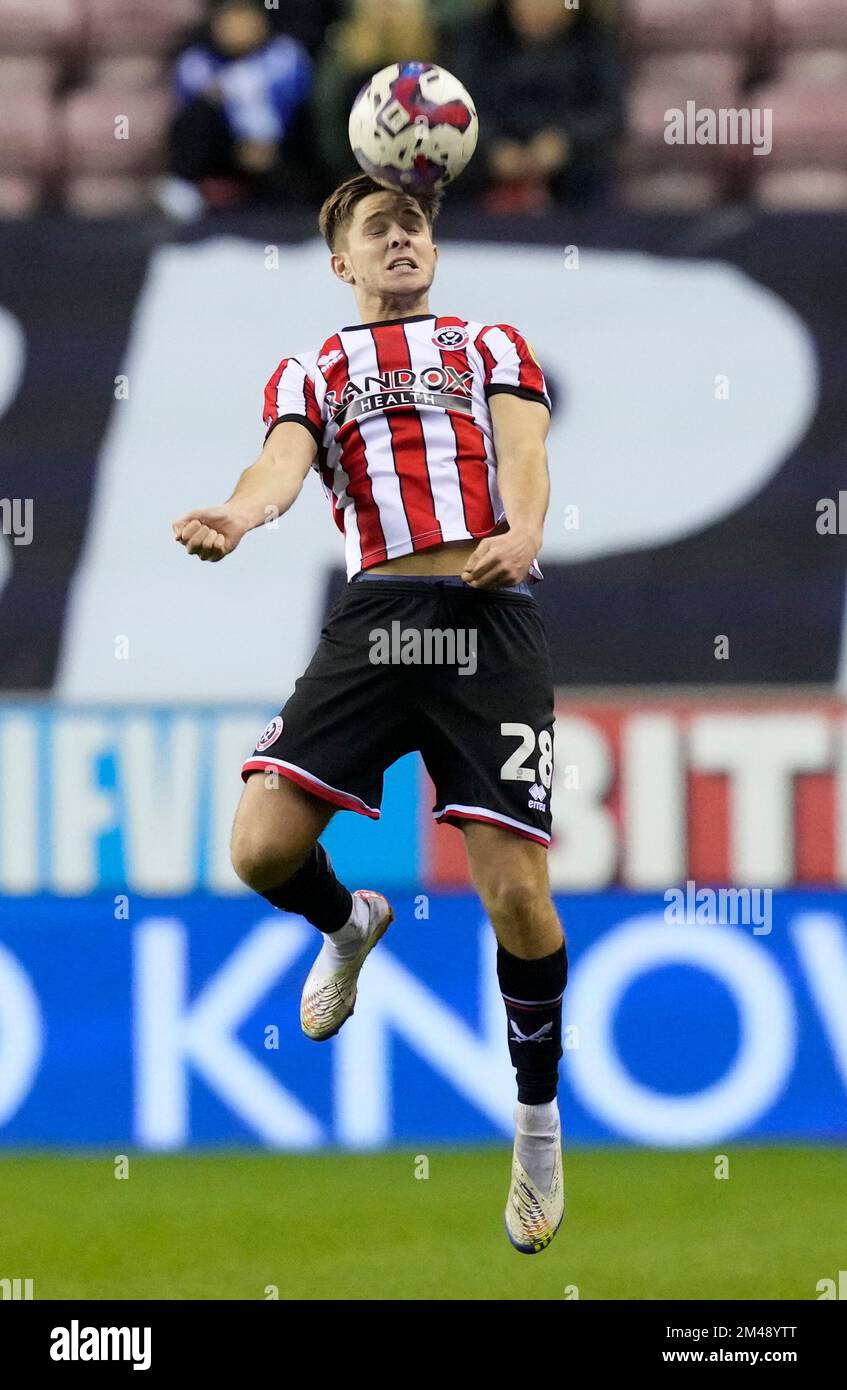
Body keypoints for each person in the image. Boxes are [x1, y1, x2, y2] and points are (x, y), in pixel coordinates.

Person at [172, 172, 568, 1254]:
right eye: (376, 228)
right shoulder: (317, 366)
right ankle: (350, 923)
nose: (402, 237)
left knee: (517, 900)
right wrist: (241, 515)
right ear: (340, 263)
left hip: (489, 620)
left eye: (415, 222)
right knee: (259, 847)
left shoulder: (490, 344)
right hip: (380, 616)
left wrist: (524, 529)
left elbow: (524, 453)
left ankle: (535, 1128)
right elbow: (280, 466)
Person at [451, 0, 623, 212]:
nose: (538, 6)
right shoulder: (475, 40)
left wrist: (565, 141)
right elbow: (454, 110)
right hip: (478, 183)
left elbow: (610, 113)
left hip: (575, 183)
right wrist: (490, 148)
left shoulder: (594, 40)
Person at [168, 0, 316, 211]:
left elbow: (294, 105)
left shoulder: (287, 55)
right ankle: (188, 189)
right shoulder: (195, 62)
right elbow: (191, 120)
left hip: (281, 154)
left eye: (245, 16)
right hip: (225, 155)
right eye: (230, 19)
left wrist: (265, 144)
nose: (239, 27)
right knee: (196, 116)